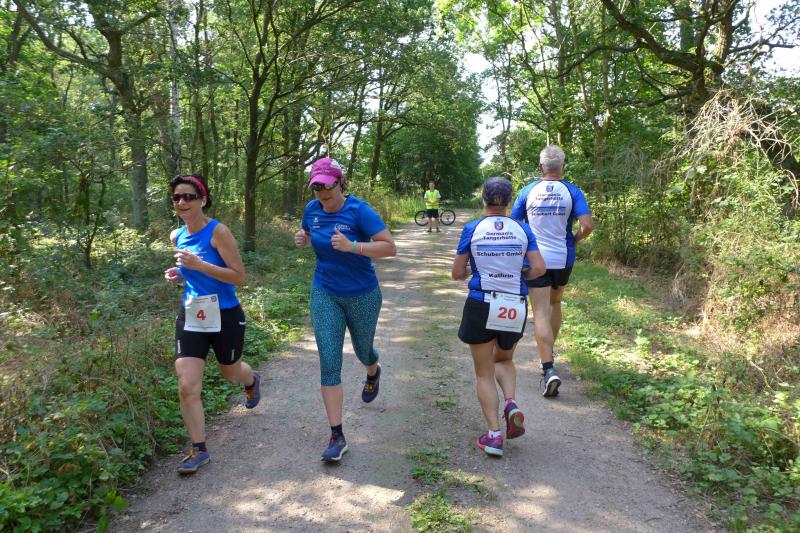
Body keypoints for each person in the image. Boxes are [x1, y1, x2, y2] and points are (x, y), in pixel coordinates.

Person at [294, 157, 397, 463]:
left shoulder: (359, 211)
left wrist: (354, 246)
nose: (323, 193)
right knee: (329, 360)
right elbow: (308, 232)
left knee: (363, 350)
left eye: (328, 186)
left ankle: (372, 370)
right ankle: (336, 435)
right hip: (325, 292)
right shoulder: (312, 210)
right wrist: (303, 238)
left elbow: (389, 247)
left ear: (341, 183)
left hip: (362, 294)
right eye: (317, 187)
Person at [164, 174, 261, 475]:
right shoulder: (176, 235)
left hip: (225, 314)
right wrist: (179, 274)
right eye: (177, 197)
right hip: (192, 314)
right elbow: (190, 272)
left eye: (189, 197)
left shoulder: (218, 232)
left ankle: (250, 380)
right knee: (187, 385)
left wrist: (199, 265)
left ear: (203, 200)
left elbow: (239, 277)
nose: (182, 202)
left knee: (230, 372)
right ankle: (199, 449)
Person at [452, 177, 546, 457]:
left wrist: (474, 271)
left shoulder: (472, 228)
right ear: (508, 201)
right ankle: (511, 403)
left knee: (484, 372)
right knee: (503, 359)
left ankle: (494, 435)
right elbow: (539, 268)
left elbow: (457, 274)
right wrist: (518, 275)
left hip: (481, 302)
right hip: (514, 304)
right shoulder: (523, 229)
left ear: (483, 198)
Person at [510, 145, 594, 397]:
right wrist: (574, 240)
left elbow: (514, 224)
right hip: (562, 258)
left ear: (540, 167)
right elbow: (587, 225)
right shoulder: (572, 191)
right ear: (563, 167)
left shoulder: (528, 191)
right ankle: (549, 354)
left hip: (536, 260)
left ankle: (548, 367)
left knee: (540, 312)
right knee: (555, 303)